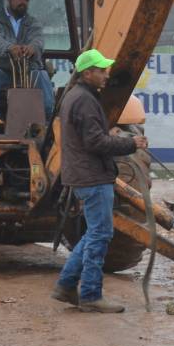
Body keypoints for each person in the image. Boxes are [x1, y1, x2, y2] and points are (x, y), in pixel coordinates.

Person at [51, 49, 146, 313]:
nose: (106, 75)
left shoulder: (76, 96)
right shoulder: (85, 100)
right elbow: (95, 142)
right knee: (100, 234)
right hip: (92, 176)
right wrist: (131, 143)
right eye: (101, 71)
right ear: (87, 73)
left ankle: (66, 285)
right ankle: (91, 295)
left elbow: (90, 136)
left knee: (95, 232)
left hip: (84, 175)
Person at [0, 0, 55, 127]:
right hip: (3, 70)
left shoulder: (33, 23)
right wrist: (9, 48)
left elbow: (38, 40)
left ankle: (48, 119)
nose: (23, 2)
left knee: (42, 75)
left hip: (27, 71)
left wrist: (32, 48)